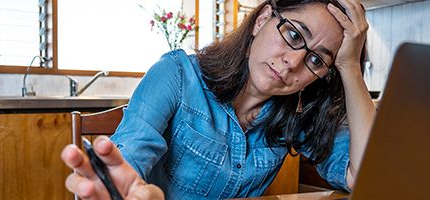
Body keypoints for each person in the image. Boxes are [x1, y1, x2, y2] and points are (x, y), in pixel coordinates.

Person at [60, 0, 374, 198]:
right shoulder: (177, 75)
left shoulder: (294, 112)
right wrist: (120, 188)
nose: (293, 62)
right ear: (263, 18)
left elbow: (365, 178)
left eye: (317, 61)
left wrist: (350, 66)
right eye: (293, 35)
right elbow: (129, 156)